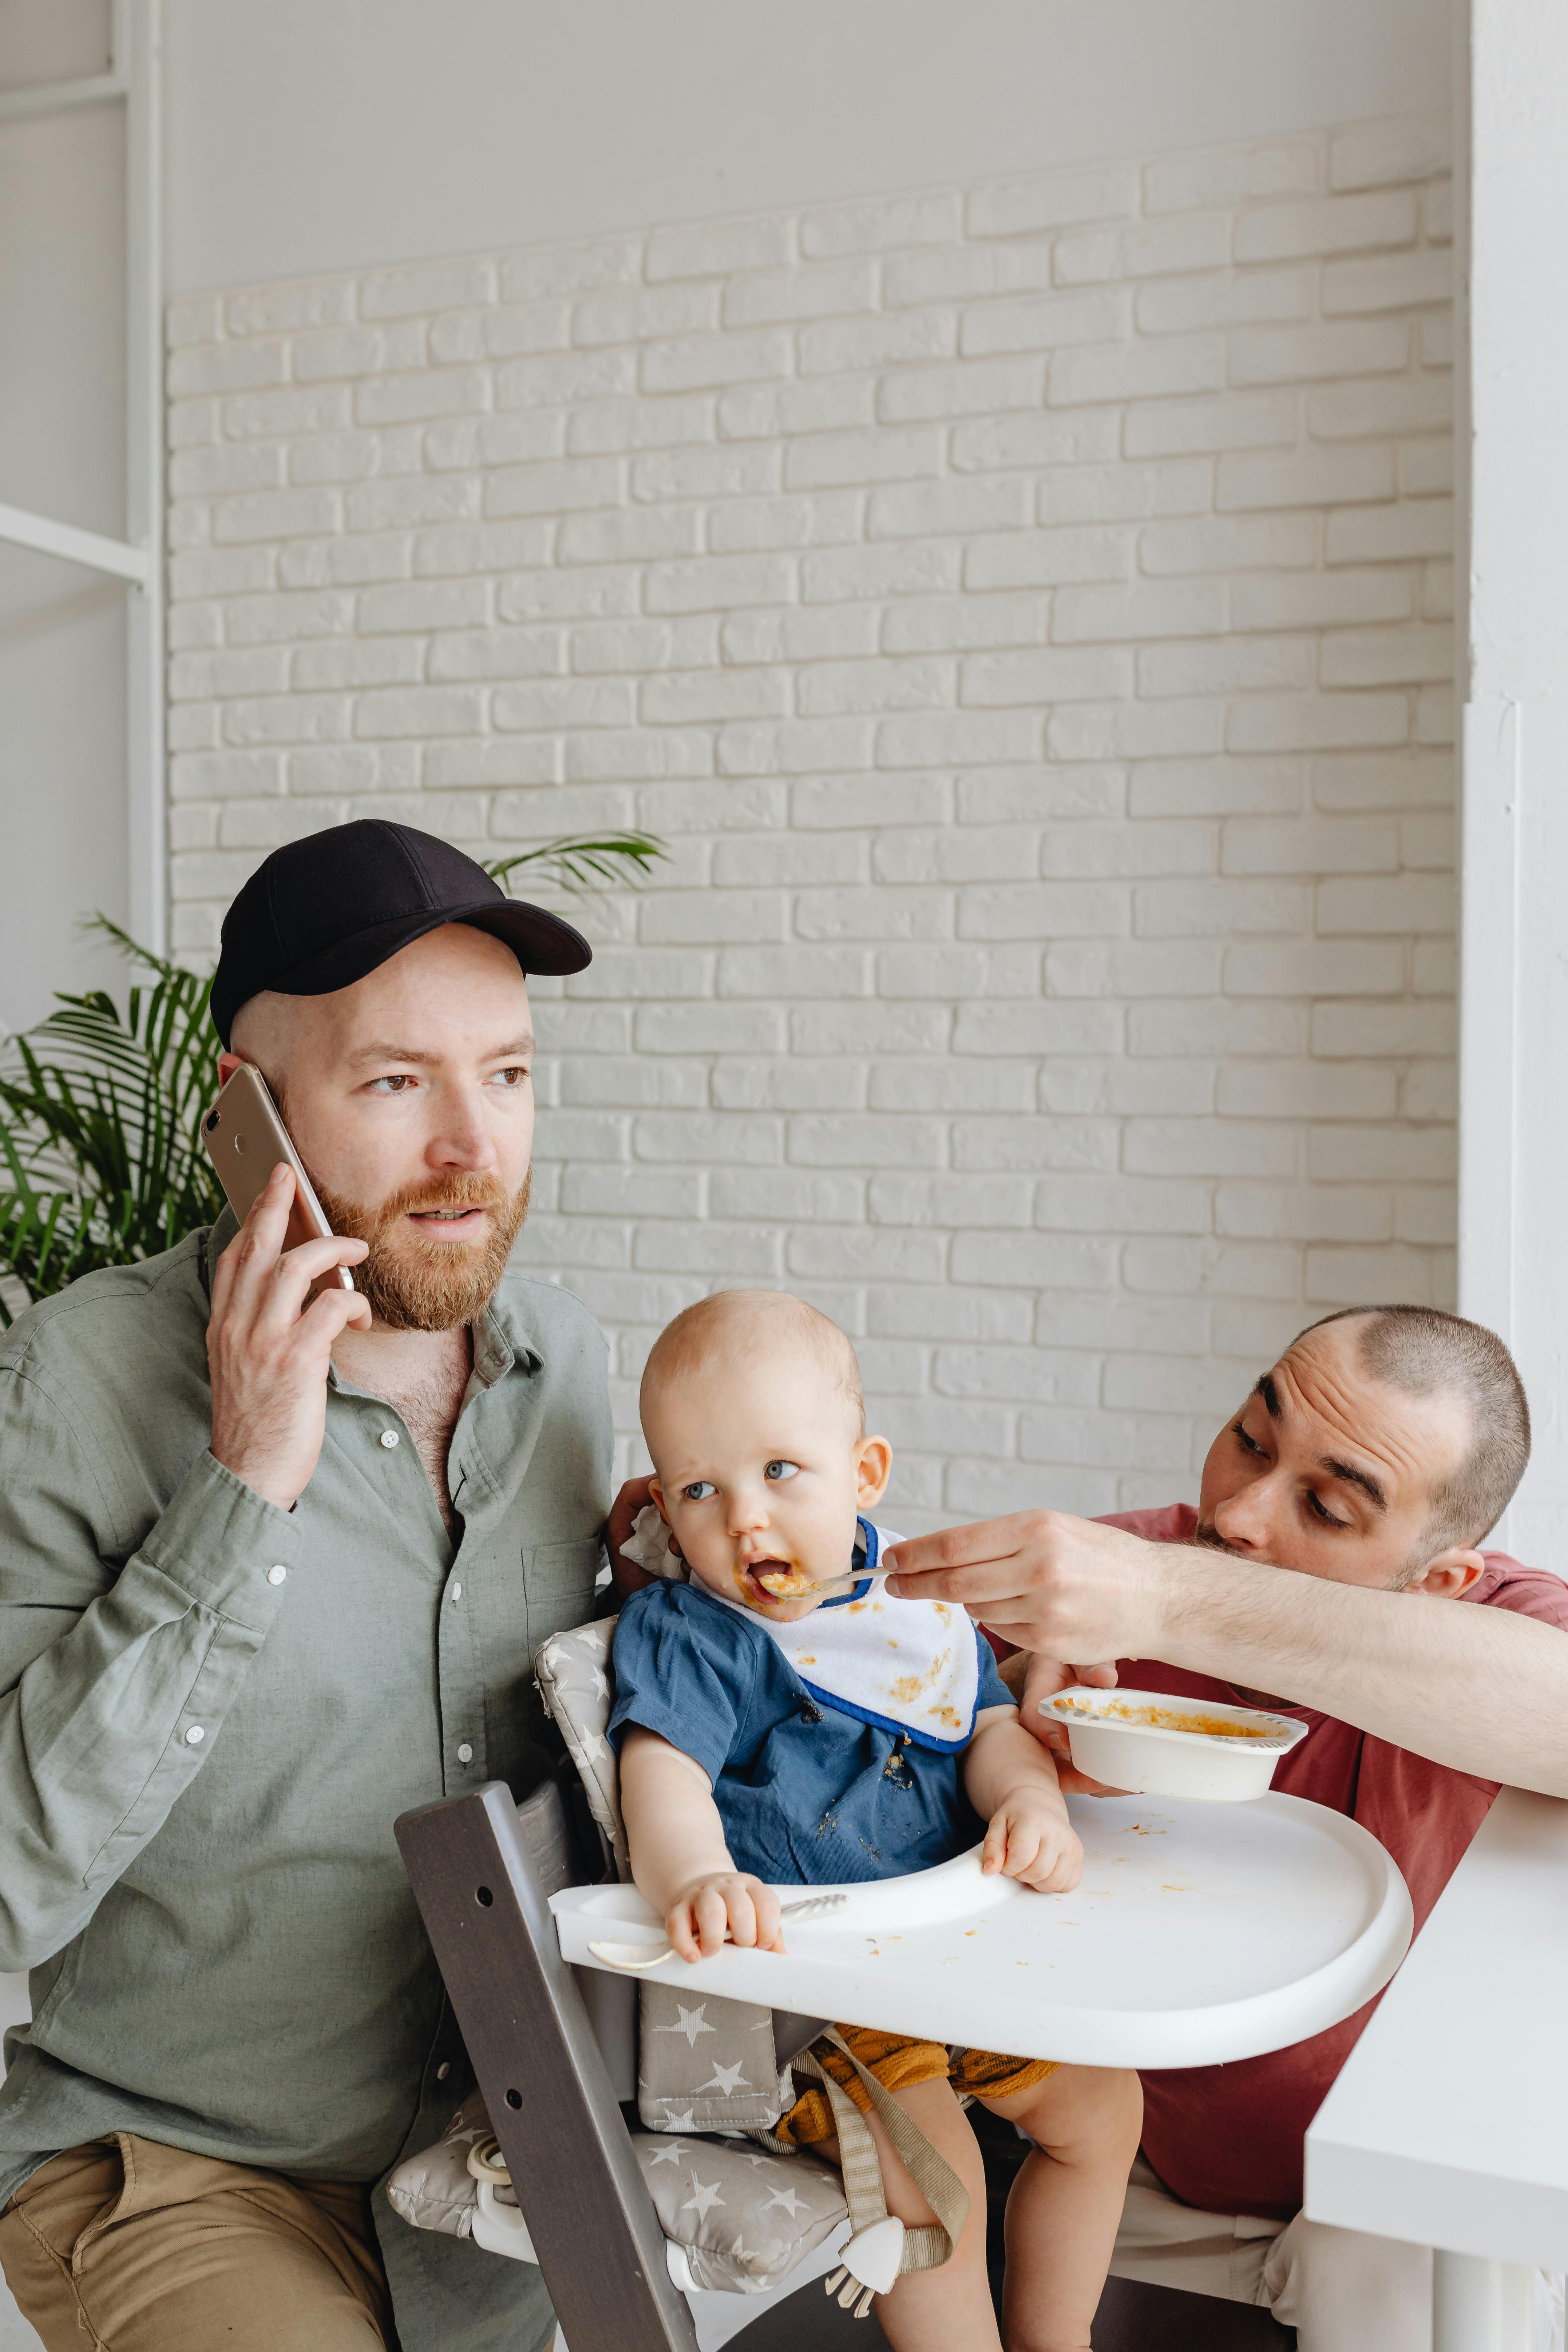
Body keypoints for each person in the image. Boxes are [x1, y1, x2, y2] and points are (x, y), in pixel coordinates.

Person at [0, 820, 610, 2352]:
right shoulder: (72, 1383)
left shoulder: (574, 1371)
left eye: (511, 1073)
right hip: (174, 2158)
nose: (473, 1146)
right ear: (245, 1113)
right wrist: (242, 1486)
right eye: (396, 1082)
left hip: (498, 2176)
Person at [874, 1304, 1568, 2352]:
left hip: (1374, 2205)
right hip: (1118, 2172)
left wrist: (1175, 1599)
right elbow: (854, 1682)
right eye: (1250, 1438)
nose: (1239, 1513)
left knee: (1425, 2280)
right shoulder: (1105, 1592)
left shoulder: (1471, 1627)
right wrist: (990, 1725)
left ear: (1438, 1581)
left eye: (1326, 1507)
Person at [610, 1289, 1142, 2352]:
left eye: (779, 1473)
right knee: (936, 2184)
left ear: (864, 1476)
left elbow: (985, 1724)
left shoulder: (910, 1600)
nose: (742, 1521)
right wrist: (695, 1878)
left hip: (956, 1960)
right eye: (699, 1490)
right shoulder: (698, 1634)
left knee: (1103, 2111)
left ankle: (1057, 2339)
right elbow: (658, 1771)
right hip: (820, 2001)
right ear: (666, 1509)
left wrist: (1028, 1797)